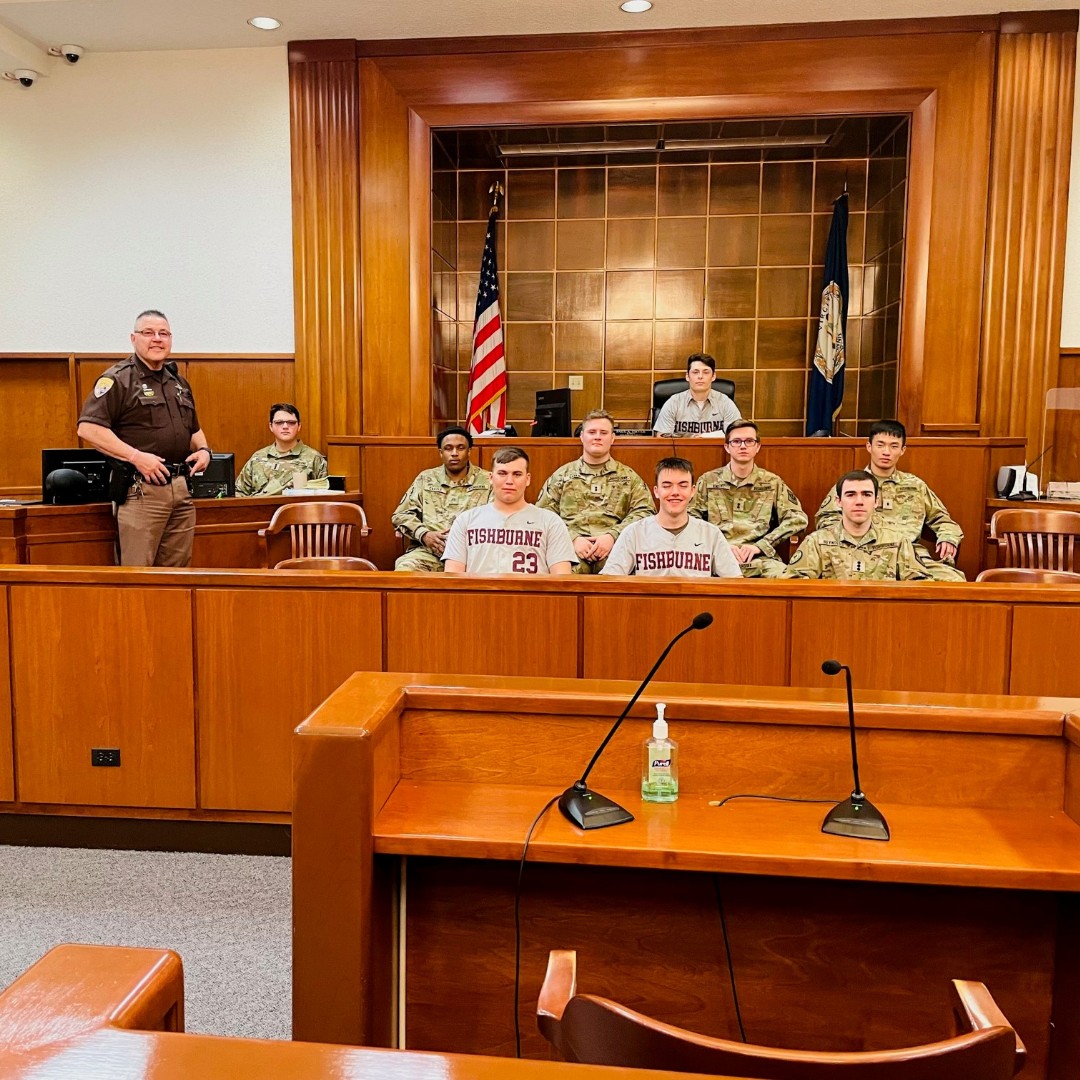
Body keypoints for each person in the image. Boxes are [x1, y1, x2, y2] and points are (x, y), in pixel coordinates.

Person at [76, 309, 211, 567]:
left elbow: (193, 429)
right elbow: (88, 429)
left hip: (181, 488)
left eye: (164, 333)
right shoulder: (118, 379)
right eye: (148, 333)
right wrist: (136, 457)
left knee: (178, 575)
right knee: (140, 576)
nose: (157, 339)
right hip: (142, 490)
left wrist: (204, 450)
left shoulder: (178, 382)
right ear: (133, 338)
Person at [813, 419, 965, 581]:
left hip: (910, 556)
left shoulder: (915, 486)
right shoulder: (853, 483)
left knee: (953, 582)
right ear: (869, 447)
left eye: (893, 446)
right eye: (880, 445)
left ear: (902, 450)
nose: (886, 452)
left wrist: (948, 538)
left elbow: (943, 520)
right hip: (861, 553)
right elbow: (825, 521)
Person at [535, 409, 653, 574]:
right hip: (569, 552)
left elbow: (645, 512)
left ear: (612, 438)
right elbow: (543, 513)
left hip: (615, 551)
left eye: (603, 432)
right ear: (582, 437)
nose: (597, 436)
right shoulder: (562, 475)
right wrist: (572, 538)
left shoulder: (628, 477)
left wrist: (613, 536)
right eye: (592, 432)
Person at [689, 419, 807, 578]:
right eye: (736, 441)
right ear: (727, 447)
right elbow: (690, 518)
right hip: (716, 556)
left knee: (794, 583)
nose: (743, 446)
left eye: (749, 441)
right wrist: (718, 544)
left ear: (757, 446)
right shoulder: (708, 481)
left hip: (760, 558)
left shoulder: (772, 482)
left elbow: (798, 519)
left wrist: (762, 545)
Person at [601, 457, 742, 578]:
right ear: (656, 491)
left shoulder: (711, 534)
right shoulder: (634, 532)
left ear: (692, 491)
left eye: (683, 485)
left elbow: (735, 583)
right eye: (667, 486)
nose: (675, 492)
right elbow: (609, 582)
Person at [443, 447, 575, 575]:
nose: (509, 481)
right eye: (502, 473)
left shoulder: (550, 522)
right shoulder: (466, 521)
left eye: (517, 474)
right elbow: (453, 578)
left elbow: (562, 580)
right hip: (480, 596)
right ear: (490, 477)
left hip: (531, 597)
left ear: (527, 479)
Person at [785, 471, 932, 581]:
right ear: (838, 502)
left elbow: (921, 588)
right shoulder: (816, 542)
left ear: (876, 501)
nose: (859, 501)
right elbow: (794, 587)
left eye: (867, 494)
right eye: (851, 495)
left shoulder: (898, 542)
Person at [391, 426, 493, 572]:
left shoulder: (487, 480)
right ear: (441, 452)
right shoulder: (426, 479)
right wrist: (424, 534)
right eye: (448, 448)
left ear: (469, 451)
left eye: (461, 448)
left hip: (473, 554)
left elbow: (498, 517)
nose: (454, 453)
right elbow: (401, 515)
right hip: (430, 553)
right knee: (405, 569)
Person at [235, 403, 328, 496]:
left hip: (295, 509)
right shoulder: (257, 458)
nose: (285, 426)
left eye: (291, 422)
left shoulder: (314, 458)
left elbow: (326, 494)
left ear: (299, 426)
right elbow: (239, 493)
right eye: (279, 422)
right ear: (271, 426)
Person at [652, 353, 741, 439]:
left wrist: (706, 437)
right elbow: (661, 438)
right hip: (680, 453)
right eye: (695, 372)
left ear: (713, 376)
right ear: (687, 376)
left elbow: (737, 436)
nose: (700, 376)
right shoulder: (674, 402)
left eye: (706, 372)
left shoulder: (725, 403)